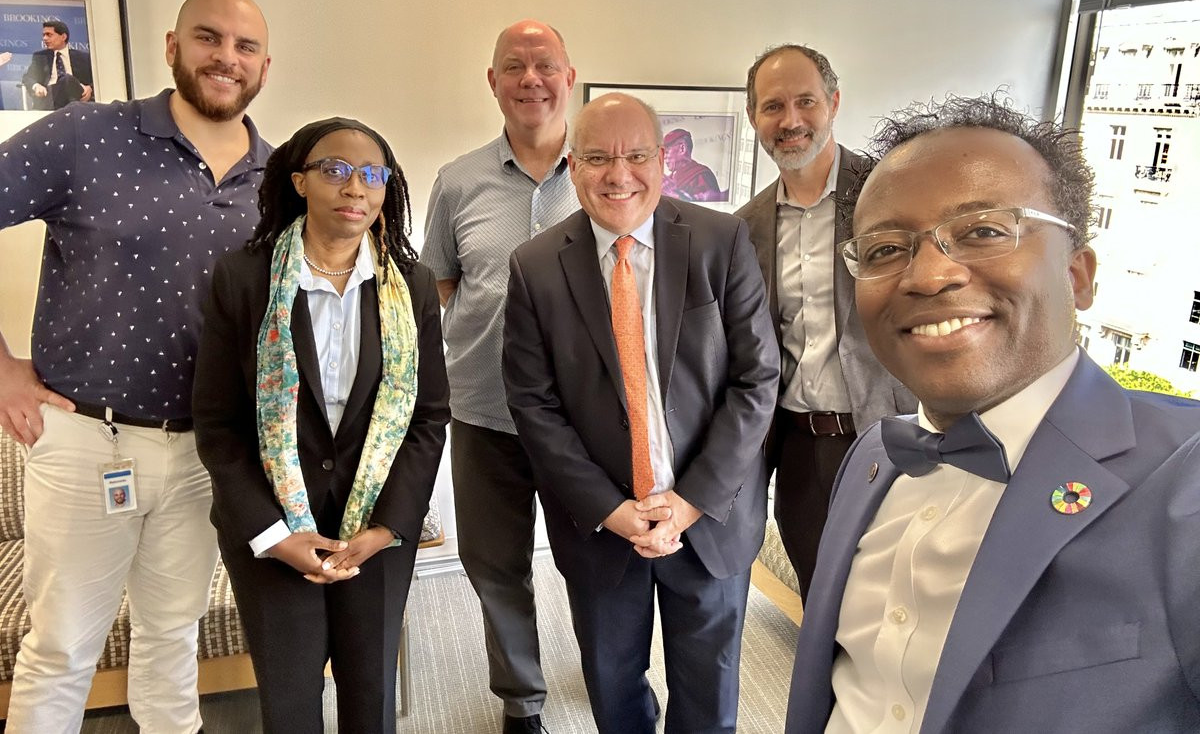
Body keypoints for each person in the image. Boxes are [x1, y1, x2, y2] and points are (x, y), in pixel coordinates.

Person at [785, 95, 1200, 733]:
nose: (928, 276)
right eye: (885, 249)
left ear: (1077, 275)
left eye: (982, 231)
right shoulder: (873, 457)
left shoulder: (1186, 482)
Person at [0, 0, 272, 733]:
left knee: (173, 637)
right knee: (60, 650)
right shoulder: (86, 134)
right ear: (173, 46)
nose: (226, 57)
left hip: (206, 452)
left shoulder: (279, 178)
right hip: (87, 439)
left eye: (245, 46)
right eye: (209, 37)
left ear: (264, 66)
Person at [504, 93, 780, 734]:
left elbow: (755, 380)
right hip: (602, 526)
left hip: (708, 518)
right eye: (598, 158)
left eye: (635, 156)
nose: (618, 174)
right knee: (613, 687)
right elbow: (534, 405)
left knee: (708, 693)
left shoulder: (720, 241)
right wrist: (611, 509)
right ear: (573, 166)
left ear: (662, 161)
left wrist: (689, 502)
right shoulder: (535, 266)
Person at [193, 118, 449, 732]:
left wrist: (388, 526)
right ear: (300, 181)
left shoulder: (410, 284)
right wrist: (271, 533)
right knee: (289, 703)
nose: (355, 187)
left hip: (375, 528)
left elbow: (428, 415)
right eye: (335, 169)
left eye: (372, 174)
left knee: (371, 696)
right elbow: (219, 424)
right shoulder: (244, 277)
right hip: (273, 527)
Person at [422, 18, 579, 733]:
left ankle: (611, 674)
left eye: (545, 65)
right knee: (495, 565)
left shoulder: (606, 174)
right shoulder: (458, 182)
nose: (530, 80)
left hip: (584, 421)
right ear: (493, 82)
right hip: (484, 412)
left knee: (596, 561)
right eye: (514, 66)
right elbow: (442, 286)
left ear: (569, 77)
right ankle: (522, 701)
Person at [736, 43, 914, 598]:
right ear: (754, 118)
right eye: (772, 106)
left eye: (805, 101)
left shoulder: (891, 195)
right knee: (821, 604)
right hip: (798, 448)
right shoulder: (746, 227)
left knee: (898, 601)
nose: (790, 120)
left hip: (889, 436)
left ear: (833, 103)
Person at [21, 19, 95, 109]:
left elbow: (98, 79)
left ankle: (72, 108)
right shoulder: (41, 57)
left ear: (63, 37)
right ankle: (72, 109)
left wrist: (90, 88)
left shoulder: (83, 57)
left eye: (49, 35)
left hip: (78, 96)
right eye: (44, 35)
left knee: (68, 80)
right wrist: (36, 86)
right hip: (49, 99)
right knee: (67, 80)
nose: (45, 38)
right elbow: (27, 78)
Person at [661, 127, 723, 201]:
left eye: (667, 152)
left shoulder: (700, 175)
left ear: (682, 149)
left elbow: (705, 205)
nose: (664, 157)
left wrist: (675, 193)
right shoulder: (668, 181)